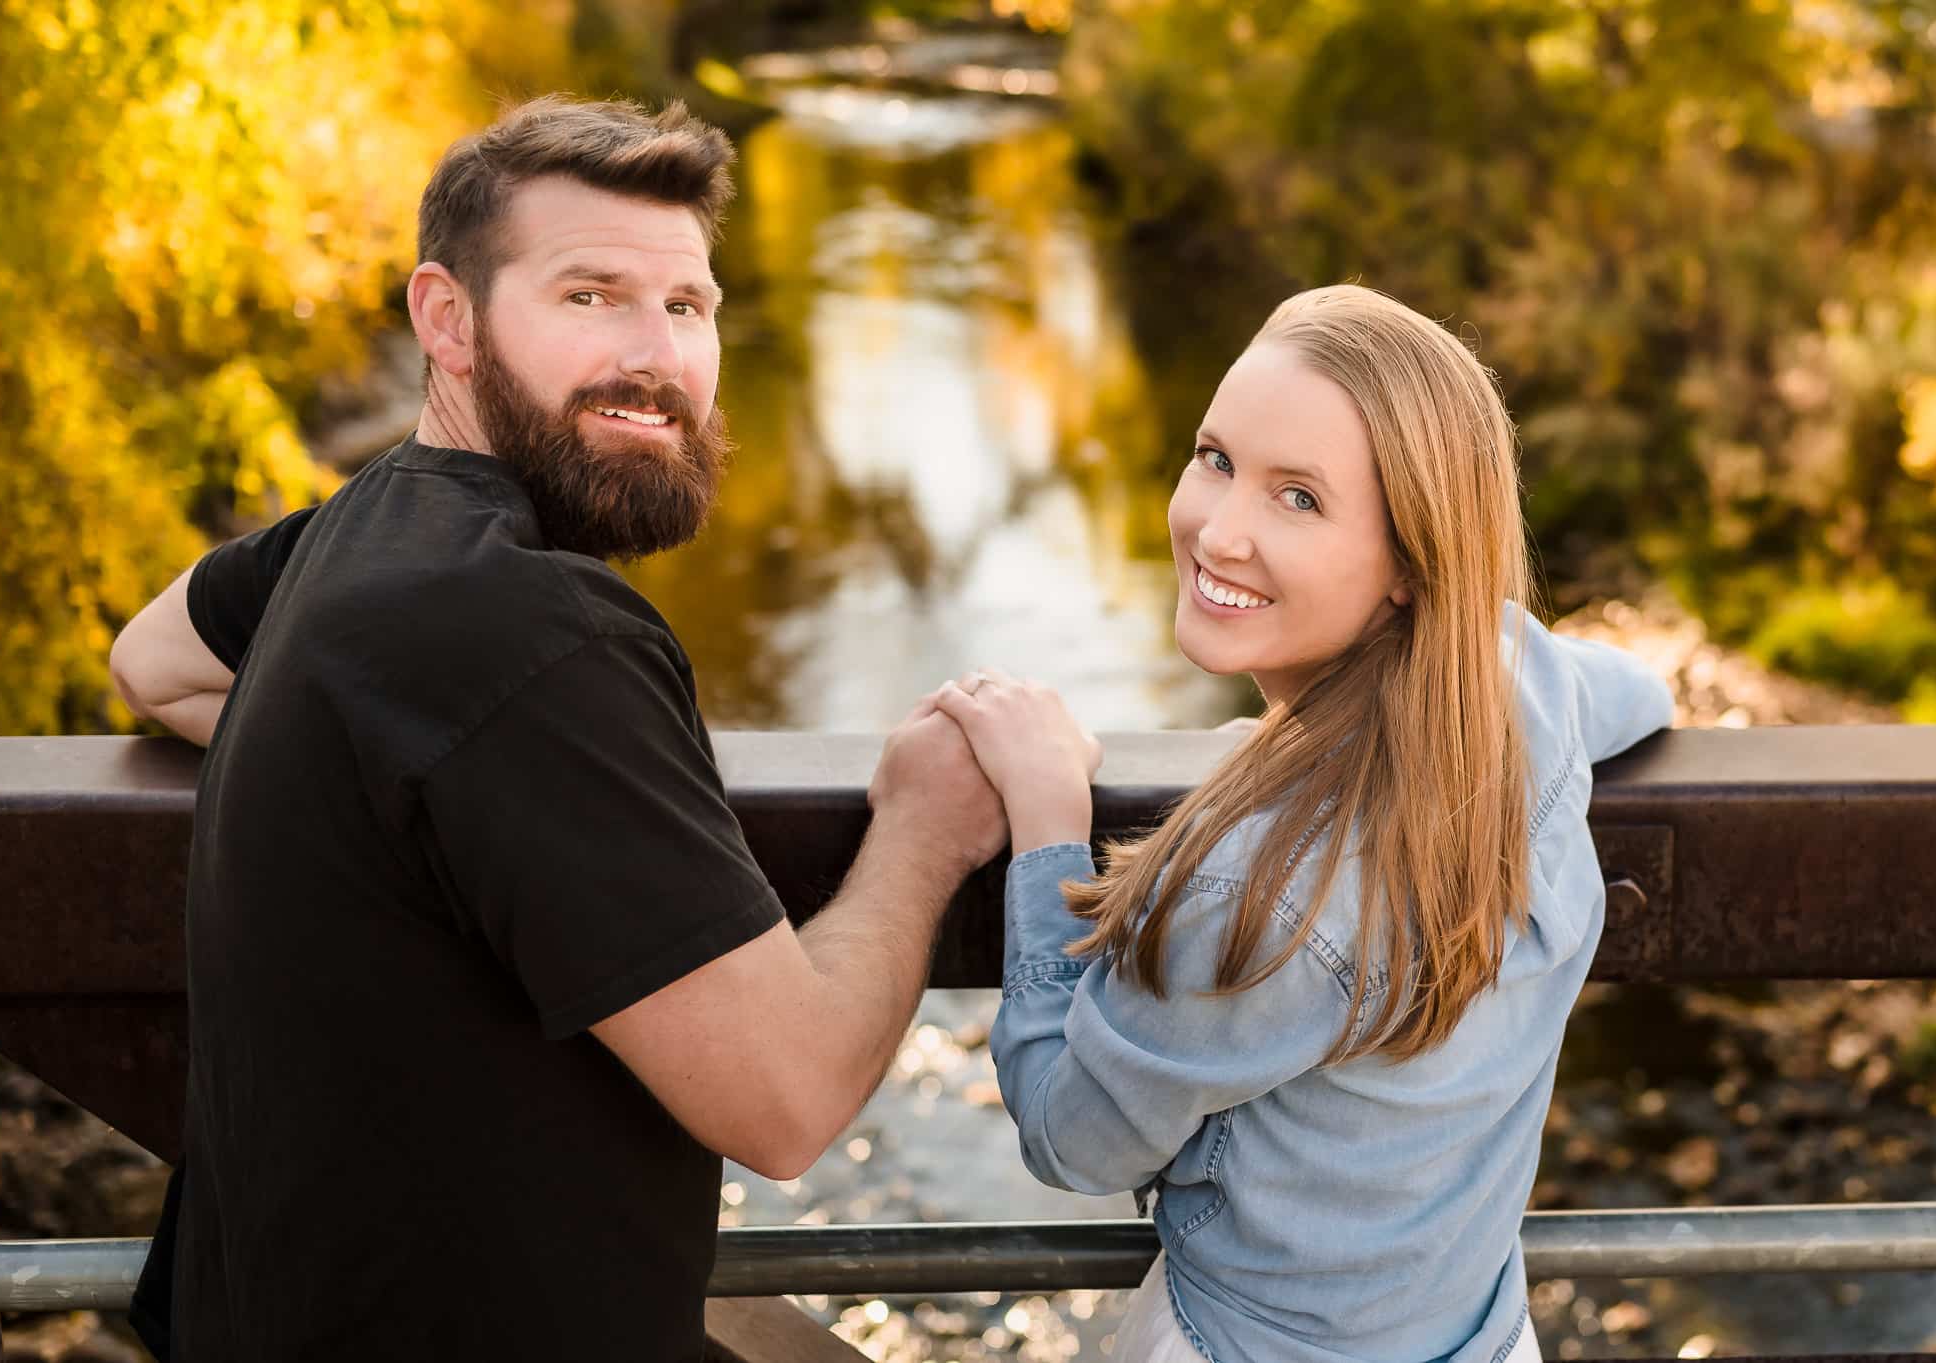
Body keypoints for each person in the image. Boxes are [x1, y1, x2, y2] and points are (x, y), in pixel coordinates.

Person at [106, 95, 1005, 1362]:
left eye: (686, 307)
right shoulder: (535, 636)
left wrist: (397, 791)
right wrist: (925, 827)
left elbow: (150, 658)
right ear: (447, 318)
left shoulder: (369, 526)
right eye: (589, 296)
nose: (655, 357)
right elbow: (790, 1101)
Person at [930, 285, 1673, 1363]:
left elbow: (1072, 1138)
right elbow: (1638, 697)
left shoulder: (1251, 885)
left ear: (1413, 566)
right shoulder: (1518, 687)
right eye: (1215, 458)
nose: (1217, 529)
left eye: (1298, 499)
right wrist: (1280, 740)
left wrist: (1048, 824)